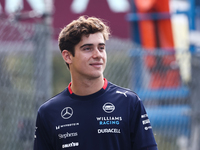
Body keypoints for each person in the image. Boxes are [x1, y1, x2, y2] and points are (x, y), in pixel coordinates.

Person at [34, 16, 158, 150]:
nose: (98, 54)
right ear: (68, 56)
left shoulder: (129, 102)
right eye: (87, 48)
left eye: (101, 48)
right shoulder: (48, 112)